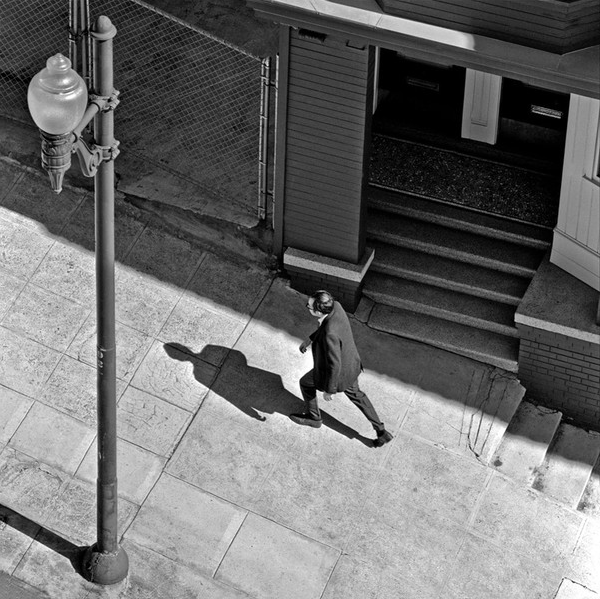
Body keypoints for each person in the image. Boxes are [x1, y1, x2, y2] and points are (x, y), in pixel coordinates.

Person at [291, 290, 394, 447]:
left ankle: (314, 418)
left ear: (318, 311)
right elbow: (325, 327)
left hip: (336, 374)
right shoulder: (336, 307)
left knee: (305, 383)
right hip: (351, 366)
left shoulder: (329, 334)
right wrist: (310, 339)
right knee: (358, 396)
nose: (307, 307)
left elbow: (334, 364)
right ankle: (381, 431)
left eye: (309, 306)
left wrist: (330, 390)